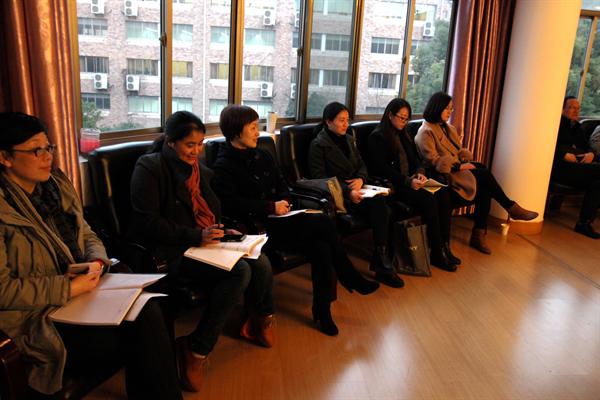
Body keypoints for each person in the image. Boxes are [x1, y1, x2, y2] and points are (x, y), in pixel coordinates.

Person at [0, 112, 182, 399]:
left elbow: (86, 232)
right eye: (36, 150)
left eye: (49, 147)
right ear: (5, 157)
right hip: (38, 317)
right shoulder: (5, 210)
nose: (47, 157)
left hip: (82, 291)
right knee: (142, 331)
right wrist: (68, 287)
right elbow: (4, 291)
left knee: (148, 308)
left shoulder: (55, 186)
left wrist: (97, 261)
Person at [129, 111, 275, 392]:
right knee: (239, 272)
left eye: (200, 144)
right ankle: (196, 349)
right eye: (189, 145)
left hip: (204, 242)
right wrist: (197, 235)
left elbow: (211, 210)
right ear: (170, 142)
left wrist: (221, 229)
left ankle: (260, 318)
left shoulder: (199, 169)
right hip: (172, 249)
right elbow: (147, 223)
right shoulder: (150, 167)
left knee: (260, 260)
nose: (196, 151)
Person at [211, 105, 379, 337]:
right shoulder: (223, 166)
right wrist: (270, 207)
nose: (257, 133)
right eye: (252, 128)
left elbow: (284, 184)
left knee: (321, 247)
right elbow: (231, 204)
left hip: (282, 220)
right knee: (323, 223)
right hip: (257, 231)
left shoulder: (263, 155)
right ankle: (349, 276)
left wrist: (285, 201)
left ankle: (322, 310)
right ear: (235, 131)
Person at [414, 92, 538, 254]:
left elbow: (458, 152)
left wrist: (463, 161)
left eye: (451, 109)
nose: (450, 112)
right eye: (447, 108)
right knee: (484, 174)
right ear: (437, 107)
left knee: (484, 188)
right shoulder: (425, 132)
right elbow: (435, 162)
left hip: (456, 171)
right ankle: (510, 207)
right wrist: (460, 166)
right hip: (443, 176)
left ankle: (479, 234)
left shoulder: (448, 128)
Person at [308, 102, 405, 287]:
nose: (346, 124)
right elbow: (319, 179)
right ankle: (382, 264)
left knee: (383, 203)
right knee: (382, 208)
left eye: (347, 120)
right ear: (328, 121)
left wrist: (361, 179)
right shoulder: (318, 145)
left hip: (359, 189)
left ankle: (383, 260)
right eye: (341, 120)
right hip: (338, 197)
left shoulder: (349, 138)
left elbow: (362, 165)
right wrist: (348, 192)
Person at [368, 98, 458, 271]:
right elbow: (382, 169)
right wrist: (408, 181)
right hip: (397, 185)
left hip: (414, 180)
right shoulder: (377, 137)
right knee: (428, 198)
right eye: (401, 117)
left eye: (406, 118)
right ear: (390, 115)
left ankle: (444, 246)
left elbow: (416, 160)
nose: (404, 121)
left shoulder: (404, 134)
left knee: (442, 193)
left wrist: (420, 172)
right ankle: (436, 251)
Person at [551, 96, 600, 238]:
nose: (576, 111)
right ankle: (584, 223)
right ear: (562, 109)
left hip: (576, 167)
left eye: (578, 108)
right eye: (572, 107)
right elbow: (545, 145)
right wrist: (562, 154)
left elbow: (587, 147)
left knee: (598, 183)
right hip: (559, 167)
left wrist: (591, 154)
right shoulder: (555, 124)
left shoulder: (577, 127)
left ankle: (584, 223)